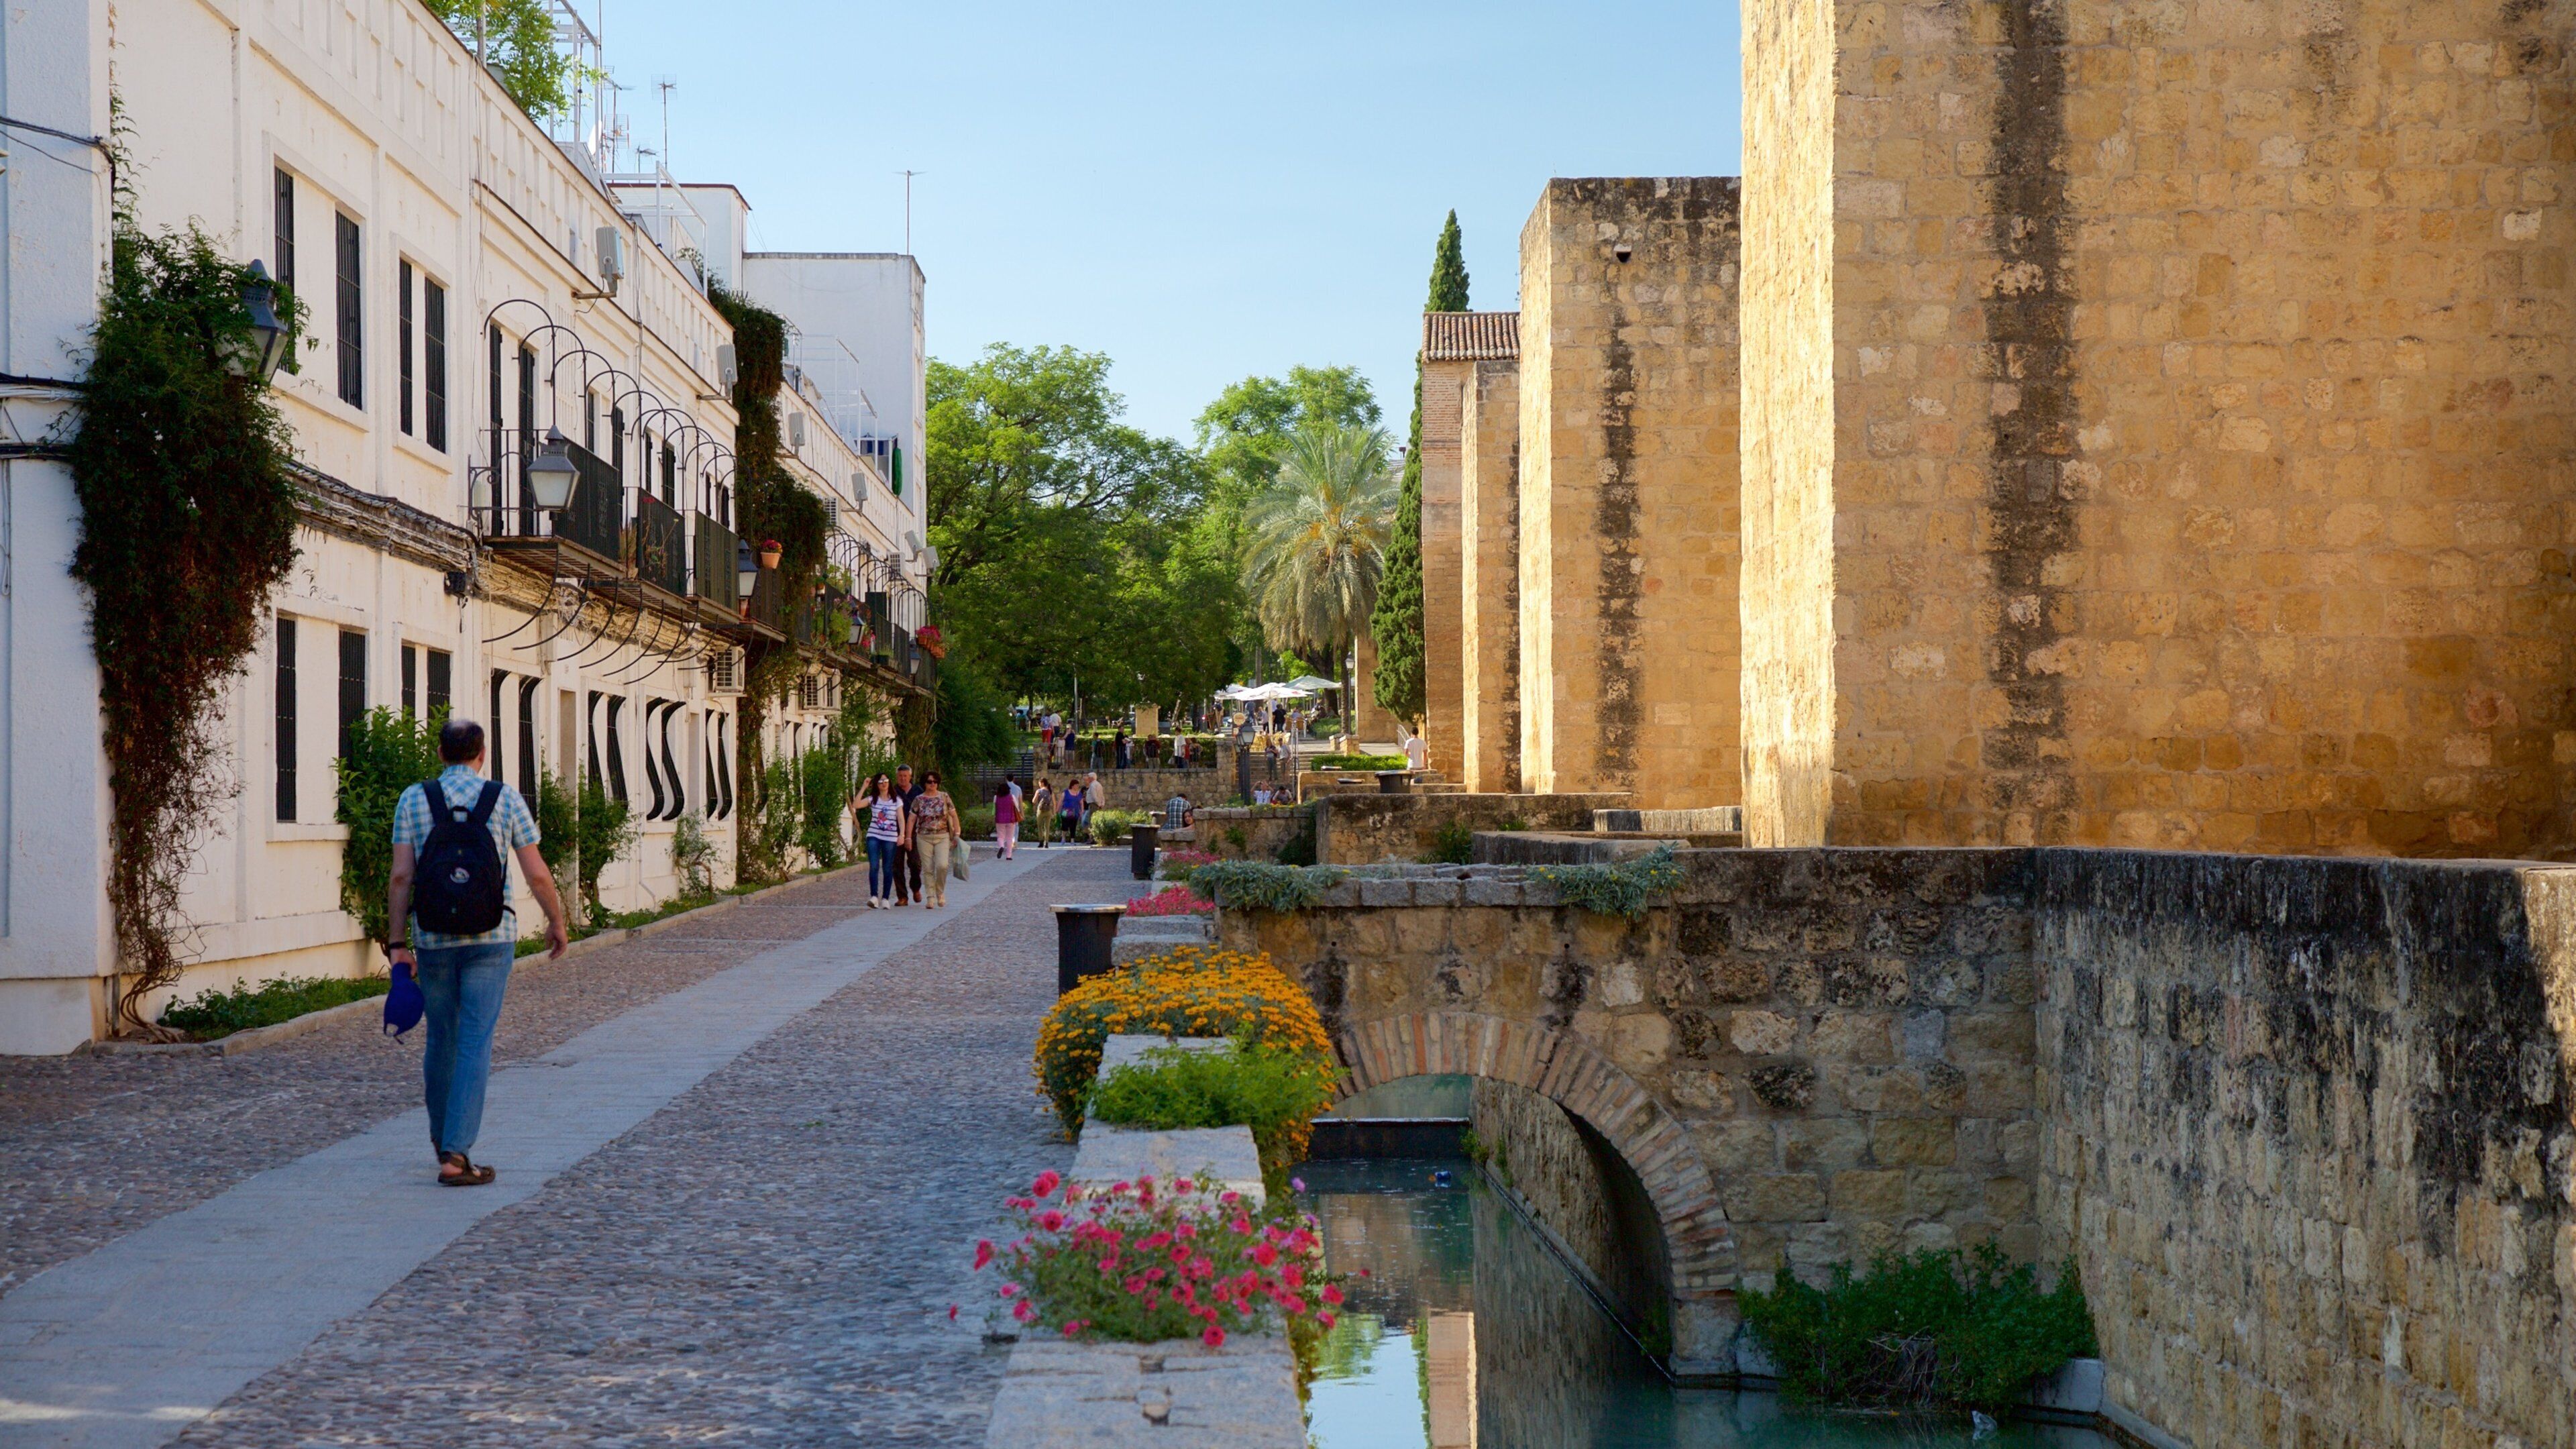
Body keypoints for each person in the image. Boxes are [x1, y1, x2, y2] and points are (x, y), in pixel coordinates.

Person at [386, 718, 568, 1188]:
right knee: (474, 1040)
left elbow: (401, 877)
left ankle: (443, 1141)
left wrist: (397, 943)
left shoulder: (413, 798)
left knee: (441, 1038)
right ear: (481, 754)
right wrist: (556, 919)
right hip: (492, 937)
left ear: (442, 754)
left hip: (432, 938)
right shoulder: (505, 799)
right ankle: (457, 1153)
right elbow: (537, 872)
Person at [907, 769, 960, 908]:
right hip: (924, 837)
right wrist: (907, 837)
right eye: (930, 782)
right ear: (925, 783)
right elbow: (911, 819)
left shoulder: (944, 797)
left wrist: (957, 834)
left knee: (942, 865)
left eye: (935, 782)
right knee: (928, 868)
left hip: (942, 835)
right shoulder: (919, 799)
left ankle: (940, 892)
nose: (933, 784)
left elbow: (954, 816)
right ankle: (930, 897)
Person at [859, 772, 904, 907]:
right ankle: (874, 897)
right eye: (880, 782)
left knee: (887, 867)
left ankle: (885, 898)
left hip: (890, 837)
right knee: (874, 866)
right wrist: (864, 787)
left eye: (886, 780)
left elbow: (901, 819)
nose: (884, 783)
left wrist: (901, 835)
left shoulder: (896, 800)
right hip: (874, 835)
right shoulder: (873, 799)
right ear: (877, 785)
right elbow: (856, 804)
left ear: (889, 783)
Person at [890, 763, 925, 905]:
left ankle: (916, 888)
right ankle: (902, 896)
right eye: (900, 776)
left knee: (915, 863)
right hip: (895, 832)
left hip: (914, 832)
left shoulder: (918, 791)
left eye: (905, 776)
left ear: (910, 777)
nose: (903, 779)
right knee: (896, 865)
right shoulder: (892, 791)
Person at [994, 776, 1022, 860]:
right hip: (1011, 819)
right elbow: (1017, 807)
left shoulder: (996, 797)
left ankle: (1001, 846)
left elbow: (994, 807)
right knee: (1010, 837)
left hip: (999, 819)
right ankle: (1009, 856)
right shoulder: (1012, 797)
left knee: (1000, 836)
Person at [1059, 771, 1086, 844]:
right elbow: (1061, 801)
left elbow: (1081, 803)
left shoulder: (1079, 794)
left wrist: (1082, 810)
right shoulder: (1066, 793)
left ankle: (1072, 840)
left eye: (1078, 785)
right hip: (1065, 812)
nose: (1077, 787)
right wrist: (1057, 809)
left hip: (1075, 813)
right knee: (1064, 826)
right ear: (1072, 785)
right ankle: (1063, 838)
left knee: (1073, 826)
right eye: (1076, 785)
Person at [1029, 776, 1056, 848]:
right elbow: (1054, 803)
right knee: (1047, 827)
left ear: (1042, 783)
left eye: (1039, 783)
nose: (1039, 784)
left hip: (1040, 811)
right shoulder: (1050, 791)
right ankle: (1046, 843)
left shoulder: (1039, 791)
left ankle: (1041, 841)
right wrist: (1054, 812)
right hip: (1049, 811)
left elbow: (1034, 801)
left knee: (1040, 827)